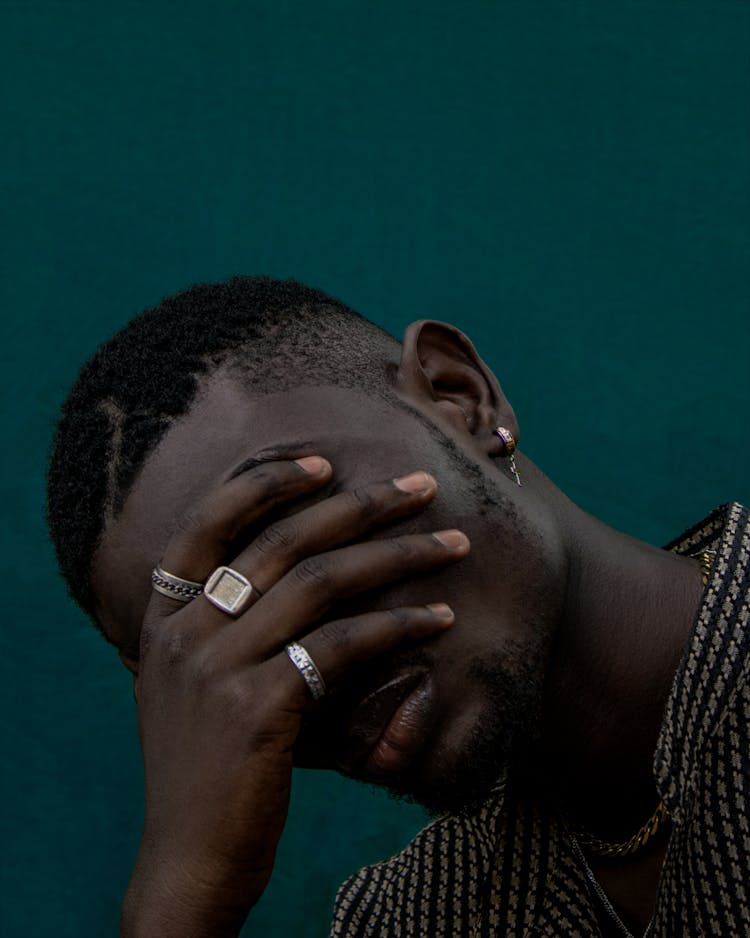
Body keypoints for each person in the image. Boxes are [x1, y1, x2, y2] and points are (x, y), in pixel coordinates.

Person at [46, 276, 749, 938]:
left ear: (460, 397)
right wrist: (180, 895)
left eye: (293, 532)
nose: (306, 652)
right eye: (217, 635)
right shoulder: (410, 917)